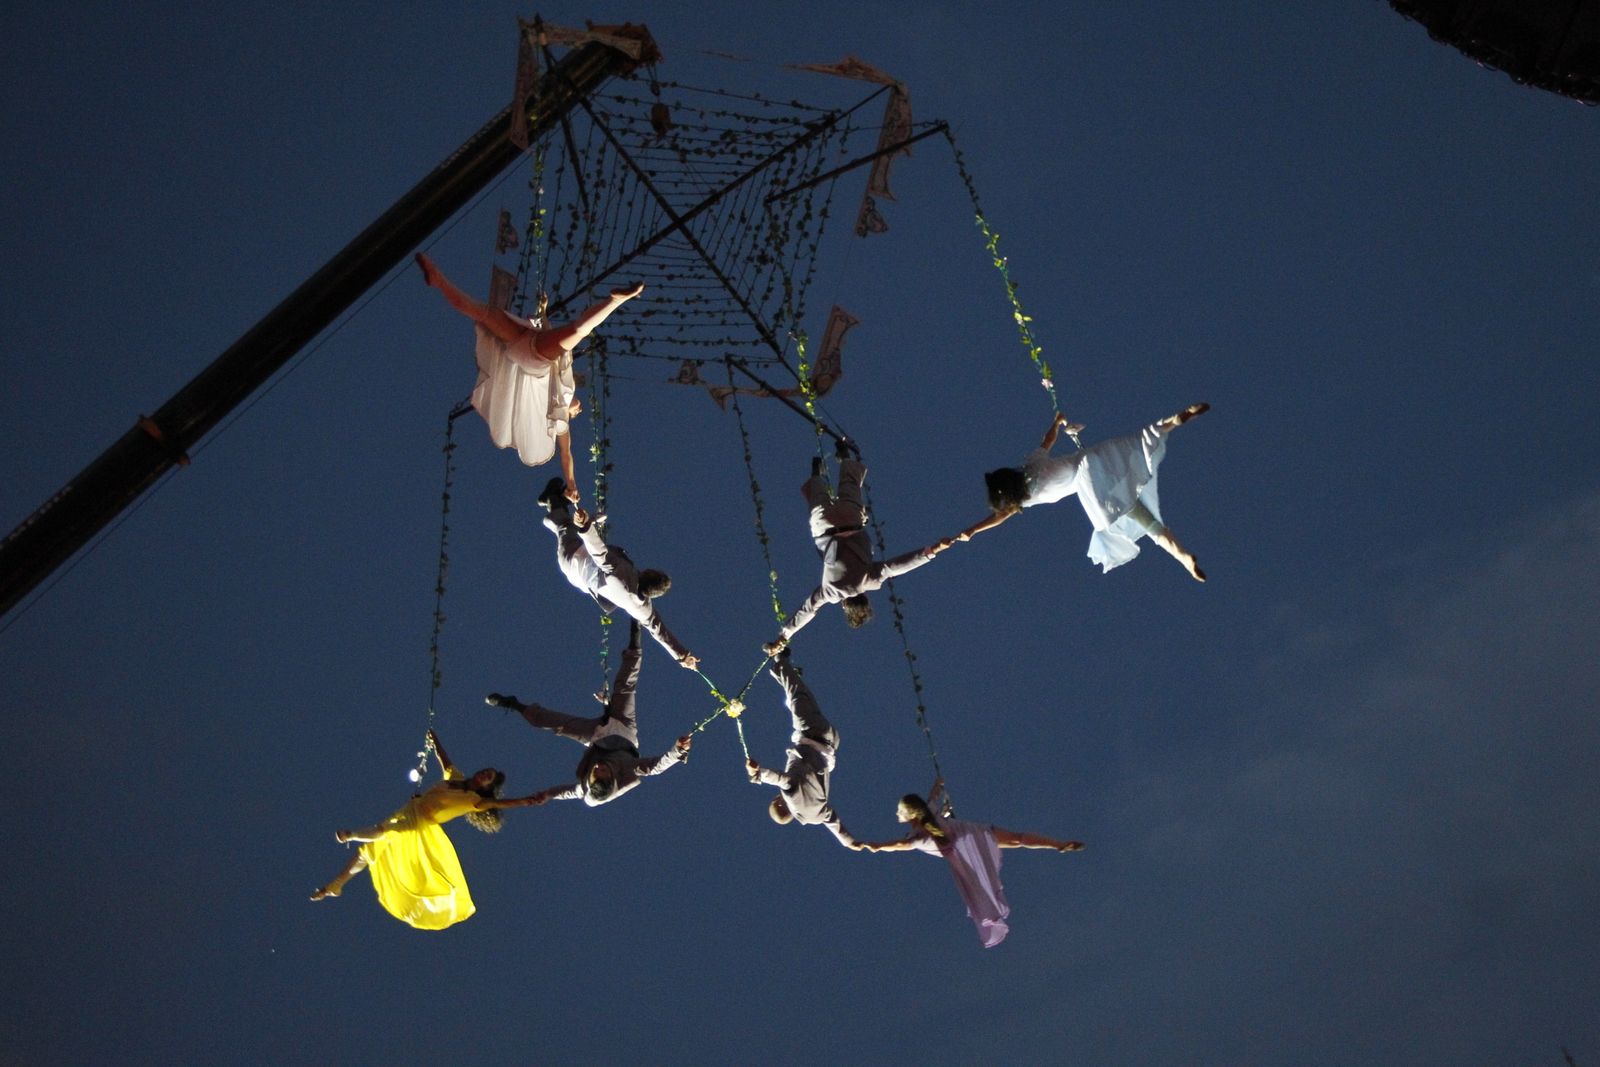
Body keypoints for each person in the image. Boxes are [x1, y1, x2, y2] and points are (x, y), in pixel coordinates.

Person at [416, 251, 643, 499]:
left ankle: (616, 301)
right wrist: (543, 312)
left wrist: (572, 484)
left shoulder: (561, 421)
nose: (579, 409)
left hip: (536, 358)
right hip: (523, 341)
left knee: (578, 331)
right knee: (477, 310)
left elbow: (566, 456)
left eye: (577, 411)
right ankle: (437, 279)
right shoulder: (562, 398)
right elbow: (546, 329)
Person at [310, 729, 538, 929]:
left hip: (421, 824)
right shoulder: (455, 777)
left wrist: (525, 801)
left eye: (488, 778)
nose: (483, 775)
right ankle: (336, 885)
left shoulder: (474, 800)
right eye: (485, 771)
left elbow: (498, 804)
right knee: (369, 851)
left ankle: (351, 834)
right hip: (411, 809)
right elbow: (444, 759)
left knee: (390, 831)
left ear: (488, 786)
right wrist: (434, 738)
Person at [958, 404, 1210, 580]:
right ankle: (1172, 422)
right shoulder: (1031, 463)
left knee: (1135, 522)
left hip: (1093, 486)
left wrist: (972, 530)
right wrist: (1056, 422)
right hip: (1096, 463)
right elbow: (1047, 440)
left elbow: (998, 517)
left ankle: (1183, 557)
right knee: (1135, 444)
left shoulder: (1025, 498)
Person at [764, 438, 956, 655]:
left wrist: (930, 552)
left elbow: (897, 566)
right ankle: (816, 475)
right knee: (817, 497)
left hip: (851, 520)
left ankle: (845, 458)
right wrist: (784, 635)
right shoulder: (830, 593)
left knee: (850, 486)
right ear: (845, 606)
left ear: (865, 599)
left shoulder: (869, 579)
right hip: (824, 526)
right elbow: (807, 610)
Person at [485, 621, 694, 807]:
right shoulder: (629, 771)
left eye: (595, 772)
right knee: (625, 685)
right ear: (612, 778)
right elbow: (656, 767)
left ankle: (513, 704)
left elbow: (566, 792)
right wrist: (677, 751)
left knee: (550, 722)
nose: (599, 767)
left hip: (595, 736)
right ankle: (636, 628)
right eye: (603, 771)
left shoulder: (585, 788)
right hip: (624, 729)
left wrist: (547, 794)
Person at [858, 780, 1083, 948]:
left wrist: (876, 846)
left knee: (1016, 843)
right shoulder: (930, 816)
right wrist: (938, 785)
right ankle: (1058, 844)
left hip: (969, 847)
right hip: (975, 833)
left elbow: (898, 844)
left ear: (910, 815)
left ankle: (1059, 845)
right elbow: (932, 797)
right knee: (1017, 839)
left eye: (899, 810)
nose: (896, 813)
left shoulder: (921, 837)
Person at [538, 476, 698, 669]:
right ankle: (557, 503)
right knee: (568, 526)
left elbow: (599, 552)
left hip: (574, 559)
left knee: (564, 525)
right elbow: (659, 631)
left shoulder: (622, 575)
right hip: (582, 575)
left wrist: (586, 526)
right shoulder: (642, 607)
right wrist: (681, 656)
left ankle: (551, 498)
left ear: (646, 573)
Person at [744, 652, 863, 850]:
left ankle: (784, 670)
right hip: (812, 734)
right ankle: (780, 660)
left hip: (830, 741)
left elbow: (834, 823)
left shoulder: (816, 816)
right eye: (776, 799)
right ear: (779, 804)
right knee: (797, 695)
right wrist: (757, 775)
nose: (778, 796)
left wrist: (850, 842)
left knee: (800, 699)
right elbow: (781, 779)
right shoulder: (790, 796)